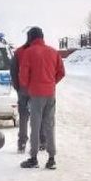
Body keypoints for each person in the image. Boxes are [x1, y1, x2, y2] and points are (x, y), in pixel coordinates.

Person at [18, 26, 65, 170]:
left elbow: (23, 77)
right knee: (49, 125)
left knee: (35, 126)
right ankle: (51, 158)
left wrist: (28, 87)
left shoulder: (28, 52)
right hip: (50, 93)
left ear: (31, 38)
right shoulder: (53, 52)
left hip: (35, 94)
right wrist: (51, 82)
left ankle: (33, 158)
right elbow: (61, 72)